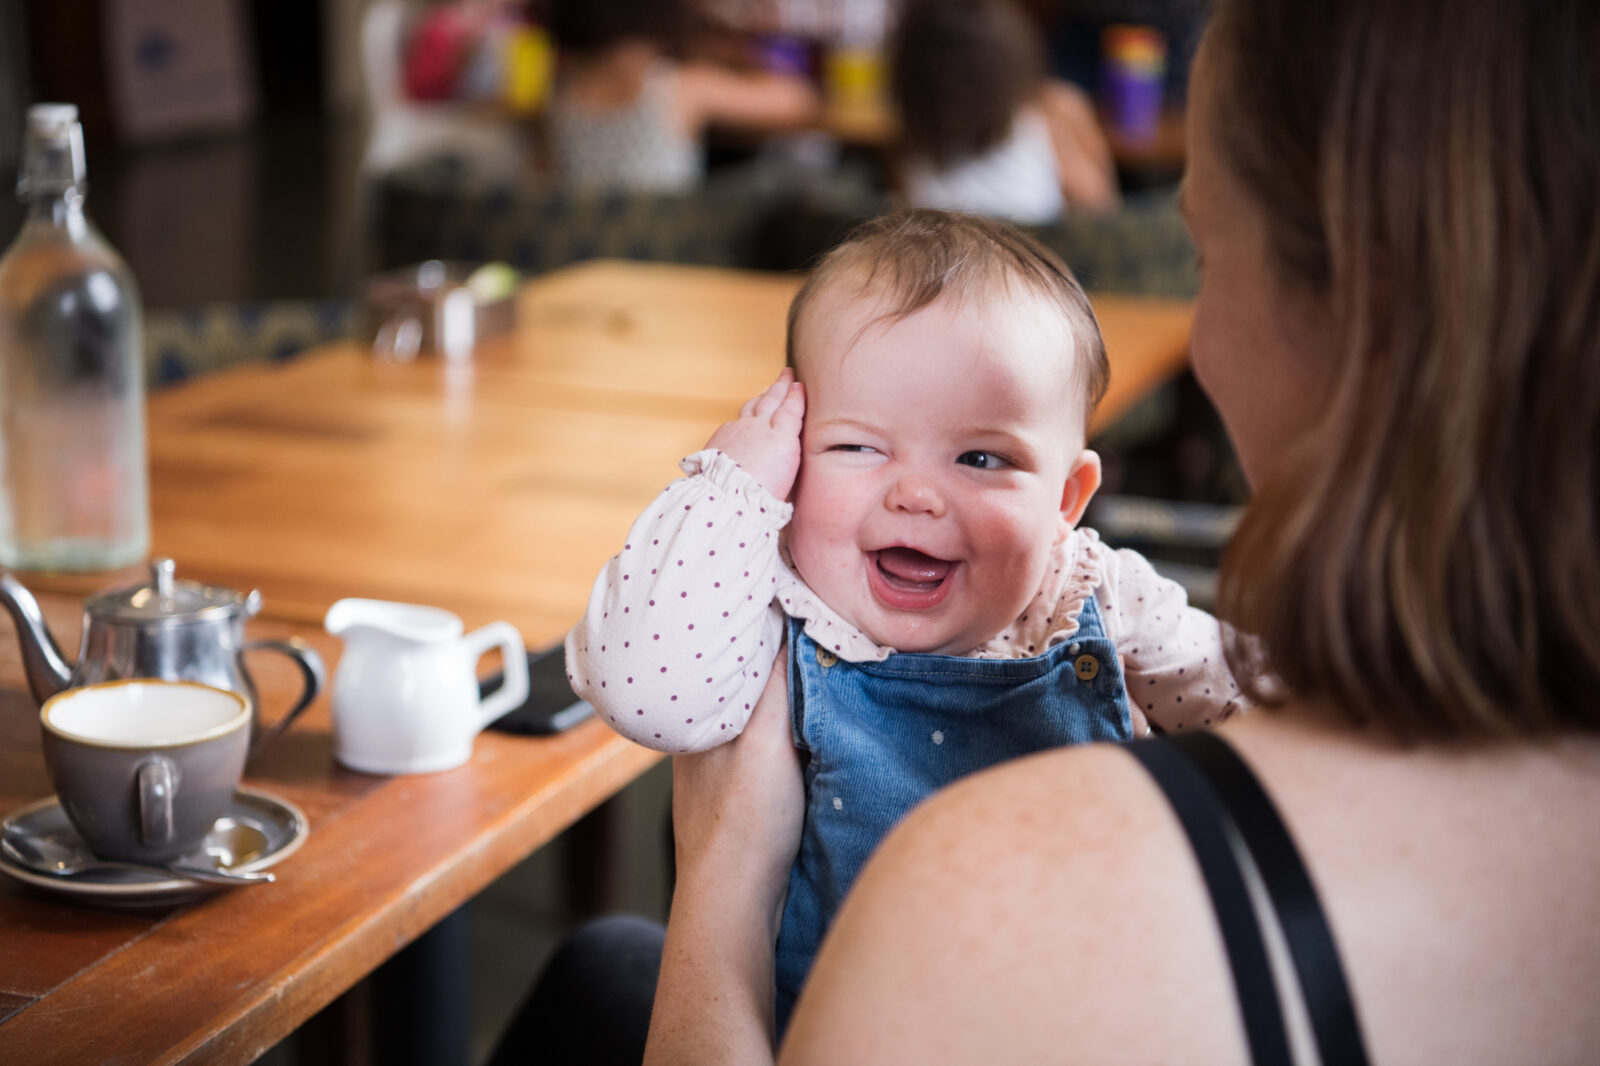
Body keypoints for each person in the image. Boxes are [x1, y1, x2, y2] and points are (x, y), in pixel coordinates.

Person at [639, 1, 1600, 1062]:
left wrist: (722, 873)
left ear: (1352, 315)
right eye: (861, 446)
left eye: (1198, 252)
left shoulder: (985, 888)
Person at [566, 208, 1243, 1032]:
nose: (915, 495)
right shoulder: (775, 602)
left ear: (1067, 501)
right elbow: (644, 693)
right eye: (858, 447)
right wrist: (731, 488)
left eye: (982, 459)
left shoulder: (1086, 590)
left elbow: (1270, 709)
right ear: (795, 446)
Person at [544, 0, 820, 191]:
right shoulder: (676, 86)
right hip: (668, 249)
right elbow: (797, 99)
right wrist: (745, 56)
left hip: (587, 252)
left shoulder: (564, 90)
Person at [889, 0, 1121, 223]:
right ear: (1015, 52)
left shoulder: (910, 144)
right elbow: (1101, 214)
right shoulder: (1051, 111)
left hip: (950, 260)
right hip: (1038, 255)